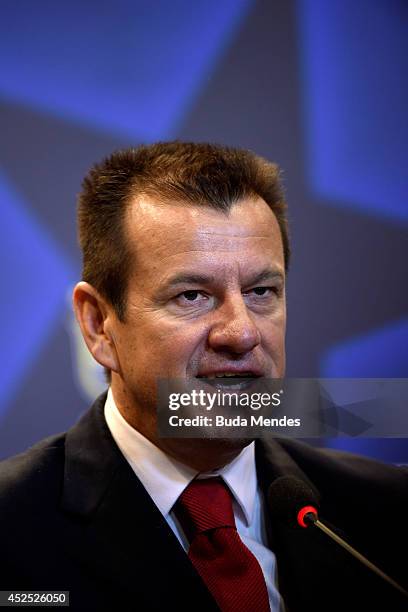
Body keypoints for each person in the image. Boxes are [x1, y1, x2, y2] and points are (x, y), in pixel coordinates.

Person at [0, 142, 406, 612]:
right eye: (192, 295)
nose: (242, 333)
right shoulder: (12, 527)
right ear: (98, 326)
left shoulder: (388, 512)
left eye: (261, 291)